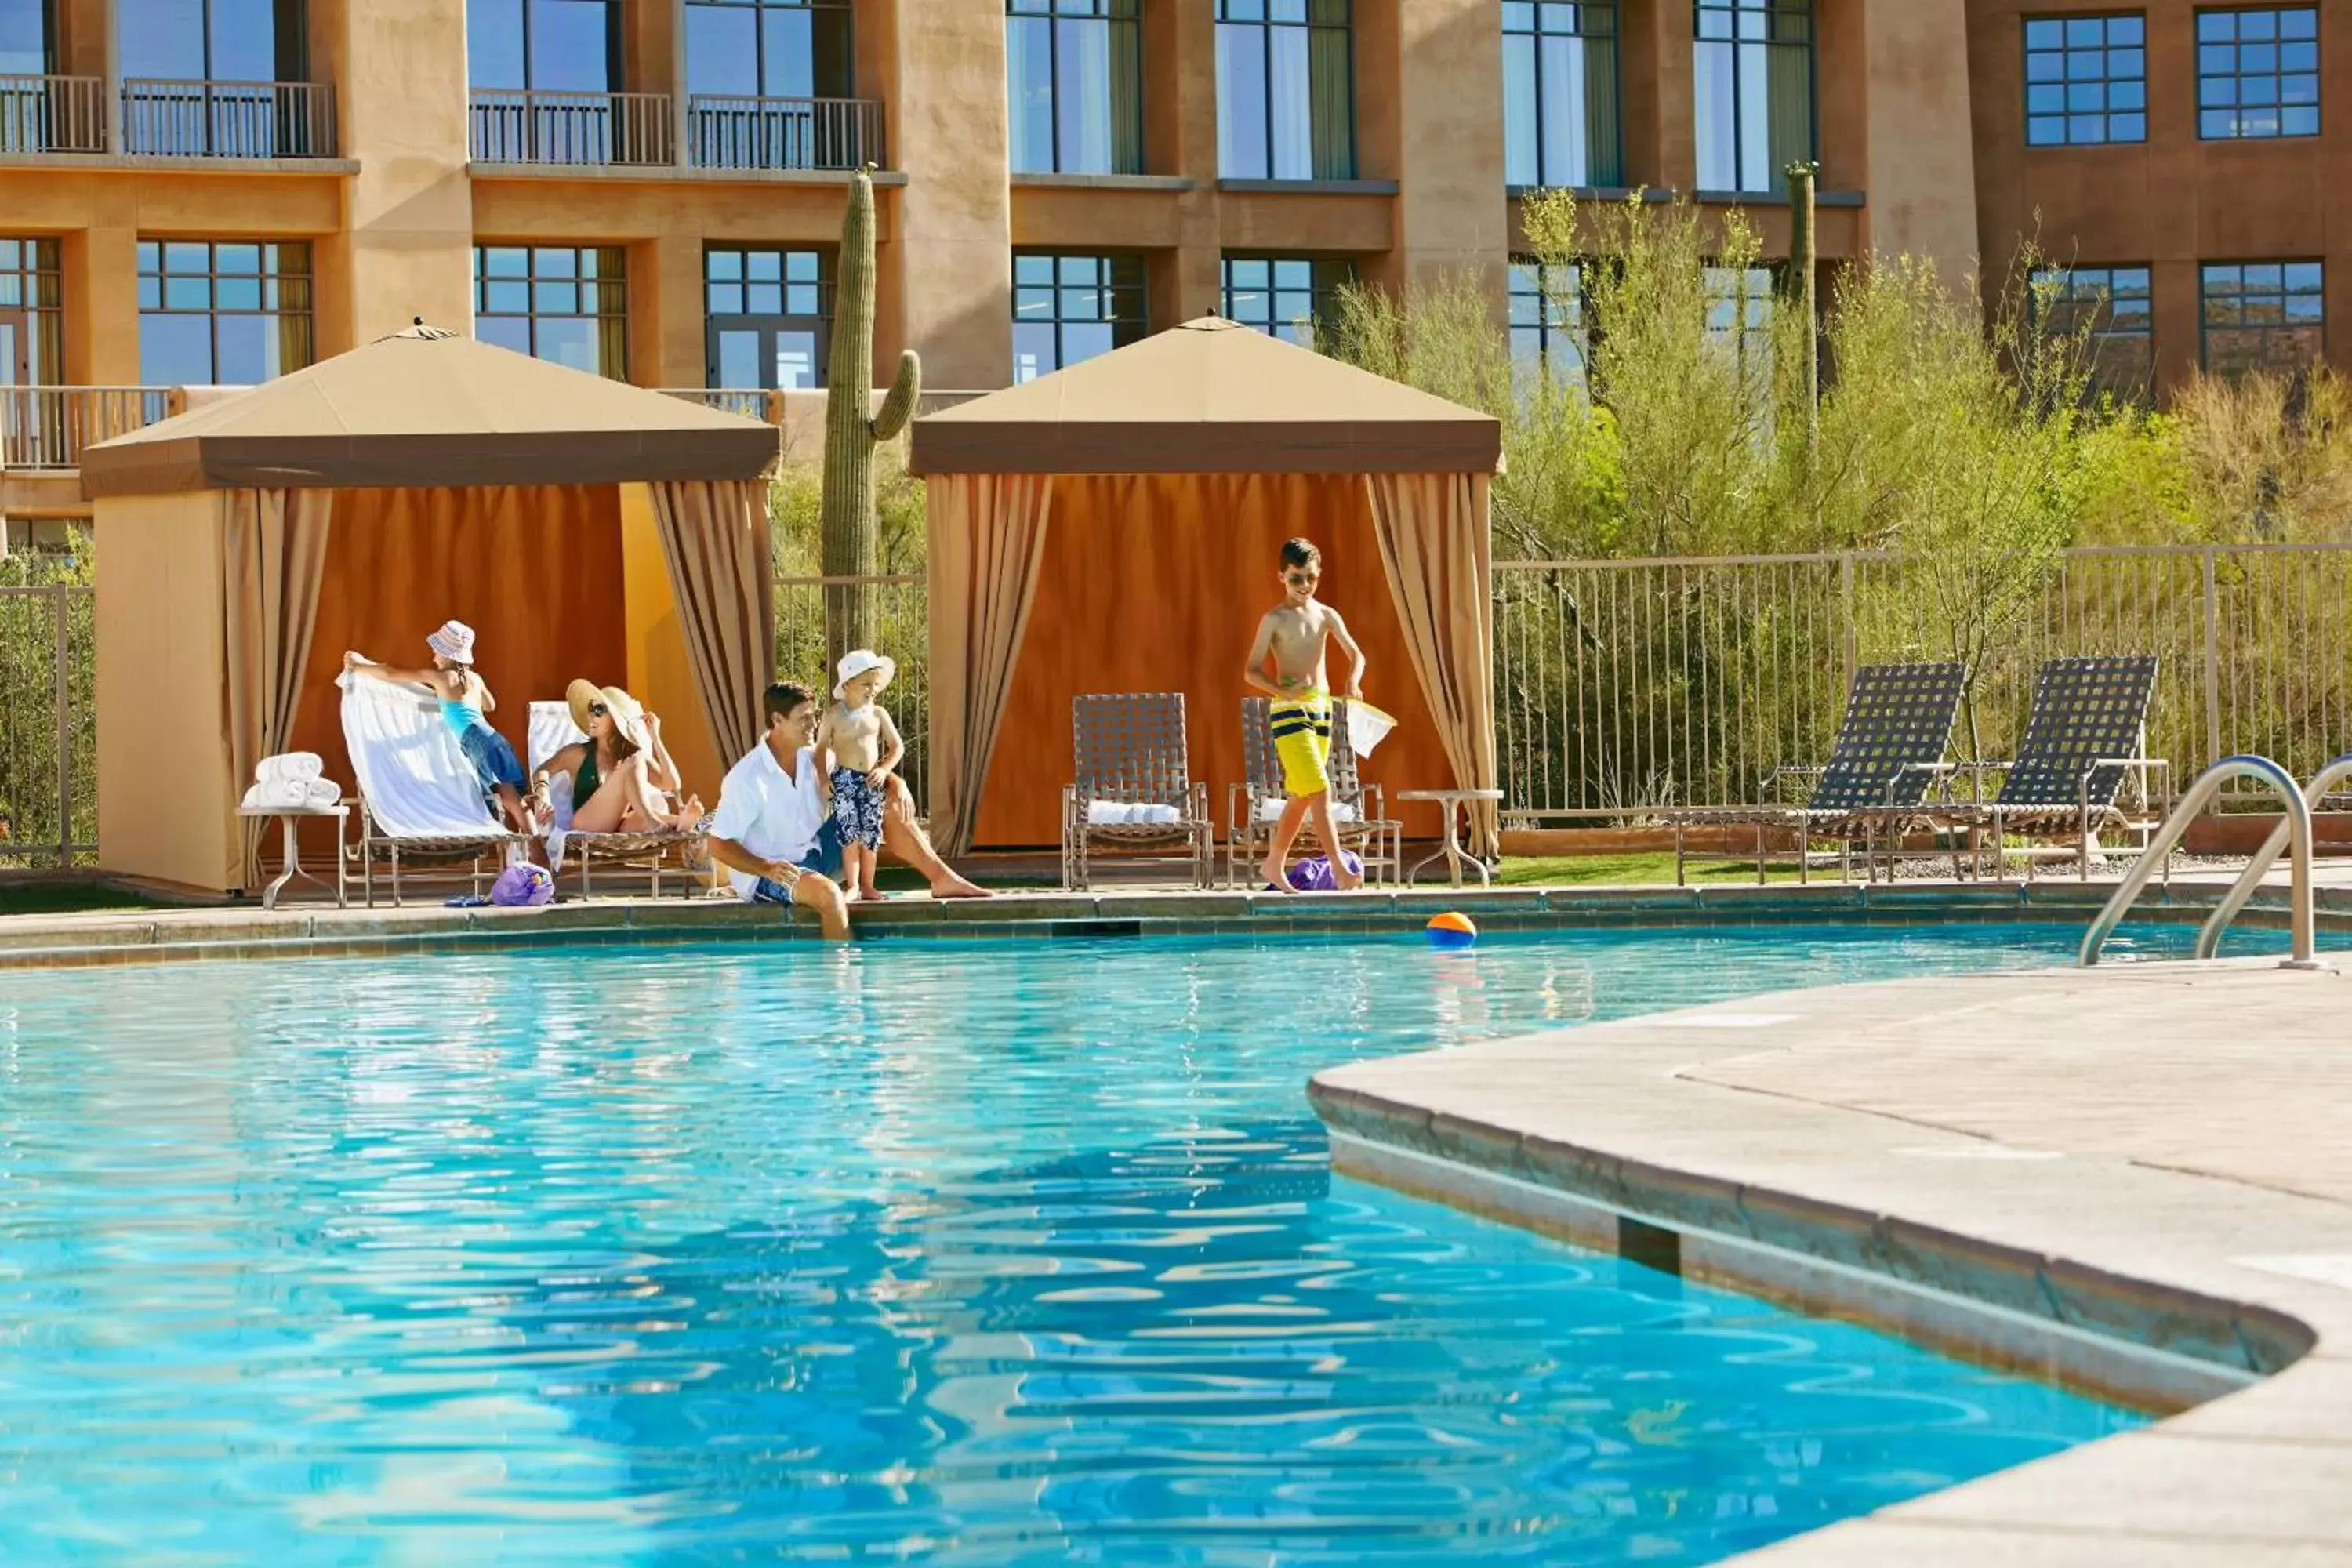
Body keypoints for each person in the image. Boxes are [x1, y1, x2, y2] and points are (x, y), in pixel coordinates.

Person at [705, 681, 992, 940]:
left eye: (814, 716)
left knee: (884, 805)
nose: (814, 725)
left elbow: (860, 775)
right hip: (772, 873)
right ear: (777, 720)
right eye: (804, 719)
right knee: (830, 896)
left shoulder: (813, 757)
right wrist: (765, 867)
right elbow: (717, 844)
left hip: (819, 852)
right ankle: (843, 983)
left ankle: (942, 879)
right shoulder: (747, 778)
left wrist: (893, 780)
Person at [1242, 537, 1367, 894]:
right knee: (1320, 790)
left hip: (1322, 710)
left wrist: (1352, 680)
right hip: (1289, 711)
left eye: (1311, 577)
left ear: (1319, 574)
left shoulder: (1326, 614)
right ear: (1281, 576)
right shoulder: (1274, 619)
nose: (1305, 586)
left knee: (1301, 796)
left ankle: (1273, 864)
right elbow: (1251, 671)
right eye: (1296, 578)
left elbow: (1357, 654)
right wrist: (1283, 692)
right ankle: (1341, 870)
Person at [344, 620, 542, 836]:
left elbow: (392, 674)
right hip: (494, 738)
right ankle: (536, 848)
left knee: (509, 798)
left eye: (437, 652)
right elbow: (490, 705)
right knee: (513, 798)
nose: (434, 656)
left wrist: (358, 666)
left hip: (477, 739)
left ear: (448, 654)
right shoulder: (475, 679)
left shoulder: (441, 677)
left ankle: (537, 852)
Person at [531, 679, 703, 836]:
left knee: (648, 808)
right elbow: (542, 770)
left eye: (598, 710)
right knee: (636, 763)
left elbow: (671, 784)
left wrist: (655, 739)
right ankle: (655, 821)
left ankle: (680, 822)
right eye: (591, 709)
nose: (591, 715)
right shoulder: (577, 753)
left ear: (615, 719)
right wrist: (543, 796)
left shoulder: (632, 758)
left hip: (619, 826)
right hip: (585, 825)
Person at [815, 649, 902, 903]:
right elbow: (820, 749)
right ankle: (852, 885)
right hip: (845, 779)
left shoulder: (878, 714)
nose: (872, 690)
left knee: (870, 835)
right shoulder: (833, 715)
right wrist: (823, 778)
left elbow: (897, 747)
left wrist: (884, 769)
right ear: (847, 684)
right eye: (866, 684)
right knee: (848, 834)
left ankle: (868, 886)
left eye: (875, 685)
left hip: (872, 781)